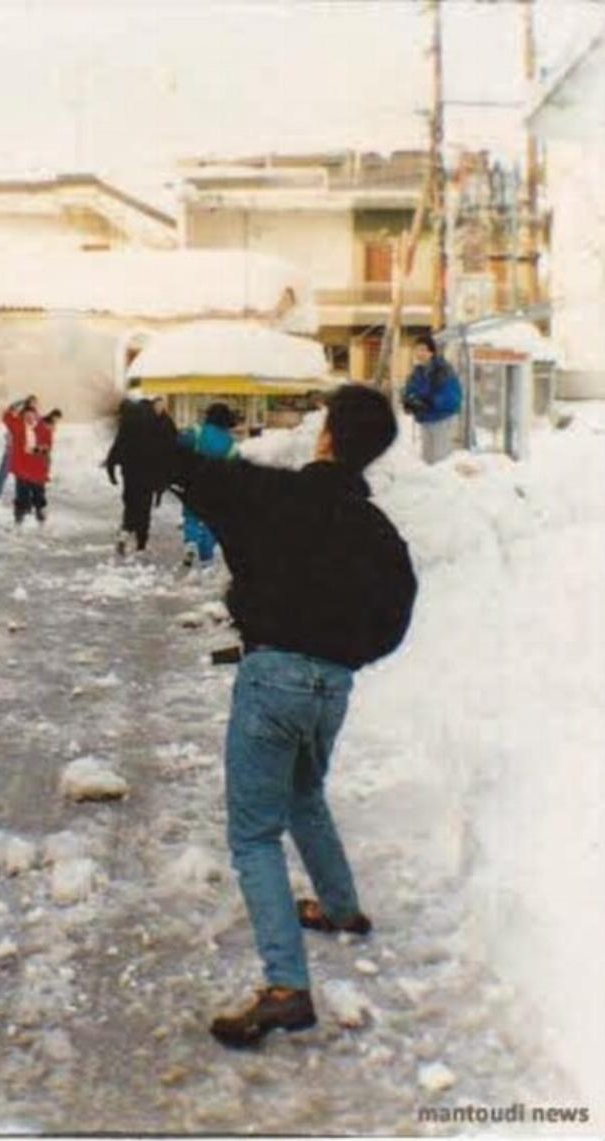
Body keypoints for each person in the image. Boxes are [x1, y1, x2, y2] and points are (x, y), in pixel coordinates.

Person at [161, 384, 417, 1048]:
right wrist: (345, 654)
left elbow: (199, 476)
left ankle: (286, 988)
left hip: (273, 676)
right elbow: (395, 618)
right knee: (305, 789)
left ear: (327, 435)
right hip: (332, 687)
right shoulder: (378, 529)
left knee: (253, 834)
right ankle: (339, 908)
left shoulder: (280, 499)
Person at [106, 396, 172, 555]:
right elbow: (166, 448)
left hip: (130, 472)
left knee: (130, 504)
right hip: (149, 473)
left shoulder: (128, 422)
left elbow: (118, 445)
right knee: (144, 507)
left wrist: (111, 468)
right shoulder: (157, 423)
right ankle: (141, 542)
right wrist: (165, 476)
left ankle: (125, 532)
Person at [179, 402, 238, 568]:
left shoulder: (197, 432)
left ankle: (190, 542)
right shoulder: (230, 443)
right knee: (211, 520)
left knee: (191, 514)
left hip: (194, 480)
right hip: (217, 487)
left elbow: (179, 443)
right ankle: (206, 556)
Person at [402, 333, 463, 464]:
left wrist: (429, 402)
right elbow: (410, 391)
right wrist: (409, 401)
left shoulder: (442, 370)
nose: (419, 353)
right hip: (426, 420)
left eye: (423, 349)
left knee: (441, 461)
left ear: (431, 352)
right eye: (417, 349)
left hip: (441, 420)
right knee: (428, 460)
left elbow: (452, 397)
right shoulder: (417, 372)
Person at [4, 396, 48, 525]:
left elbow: (47, 444)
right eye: (27, 416)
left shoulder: (41, 427)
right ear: (23, 416)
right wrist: (18, 403)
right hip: (22, 466)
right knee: (22, 492)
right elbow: (6, 416)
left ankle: (40, 512)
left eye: (32, 416)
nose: (29, 418)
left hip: (37, 467)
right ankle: (20, 515)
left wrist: (40, 450)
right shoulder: (17, 426)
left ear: (36, 416)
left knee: (38, 492)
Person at [0, 395, 38, 500]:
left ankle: (22, 499)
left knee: (21, 476)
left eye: (35, 403)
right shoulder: (19, 420)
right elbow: (7, 416)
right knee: (8, 473)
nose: (34, 405)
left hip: (23, 450)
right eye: (32, 402)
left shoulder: (29, 419)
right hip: (14, 450)